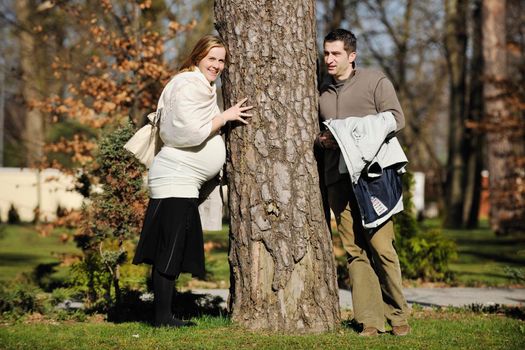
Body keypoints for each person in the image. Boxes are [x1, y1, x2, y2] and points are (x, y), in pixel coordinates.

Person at [132, 35, 253, 328]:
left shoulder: (202, 86)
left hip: (183, 179)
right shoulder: (186, 84)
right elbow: (183, 131)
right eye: (211, 58)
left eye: (221, 60)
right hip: (176, 177)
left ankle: (163, 316)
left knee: (172, 247)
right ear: (198, 56)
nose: (217, 65)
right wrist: (225, 117)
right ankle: (162, 318)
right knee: (170, 248)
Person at [316, 29, 410, 337]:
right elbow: (318, 132)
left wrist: (350, 133)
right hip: (337, 179)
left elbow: (396, 118)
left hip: (373, 180)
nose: (329, 59)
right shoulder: (321, 91)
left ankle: (397, 314)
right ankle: (370, 320)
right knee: (354, 250)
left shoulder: (374, 81)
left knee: (382, 247)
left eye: (335, 54)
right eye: (326, 53)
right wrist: (324, 140)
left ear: (351, 56)